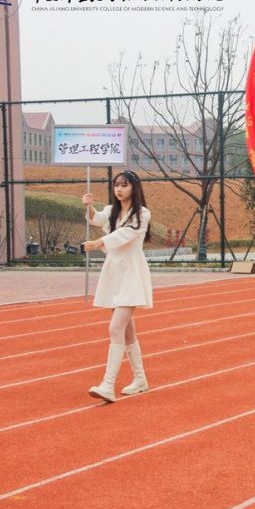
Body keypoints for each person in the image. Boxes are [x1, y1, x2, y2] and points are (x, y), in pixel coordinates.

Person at [82, 170, 152, 402]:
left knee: (115, 327)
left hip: (131, 273)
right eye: (116, 185)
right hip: (114, 272)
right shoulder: (112, 210)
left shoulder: (142, 213)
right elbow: (97, 219)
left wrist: (99, 242)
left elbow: (124, 235)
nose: (119, 189)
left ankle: (108, 384)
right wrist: (89, 207)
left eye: (124, 185)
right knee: (126, 329)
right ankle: (140, 378)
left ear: (134, 187)